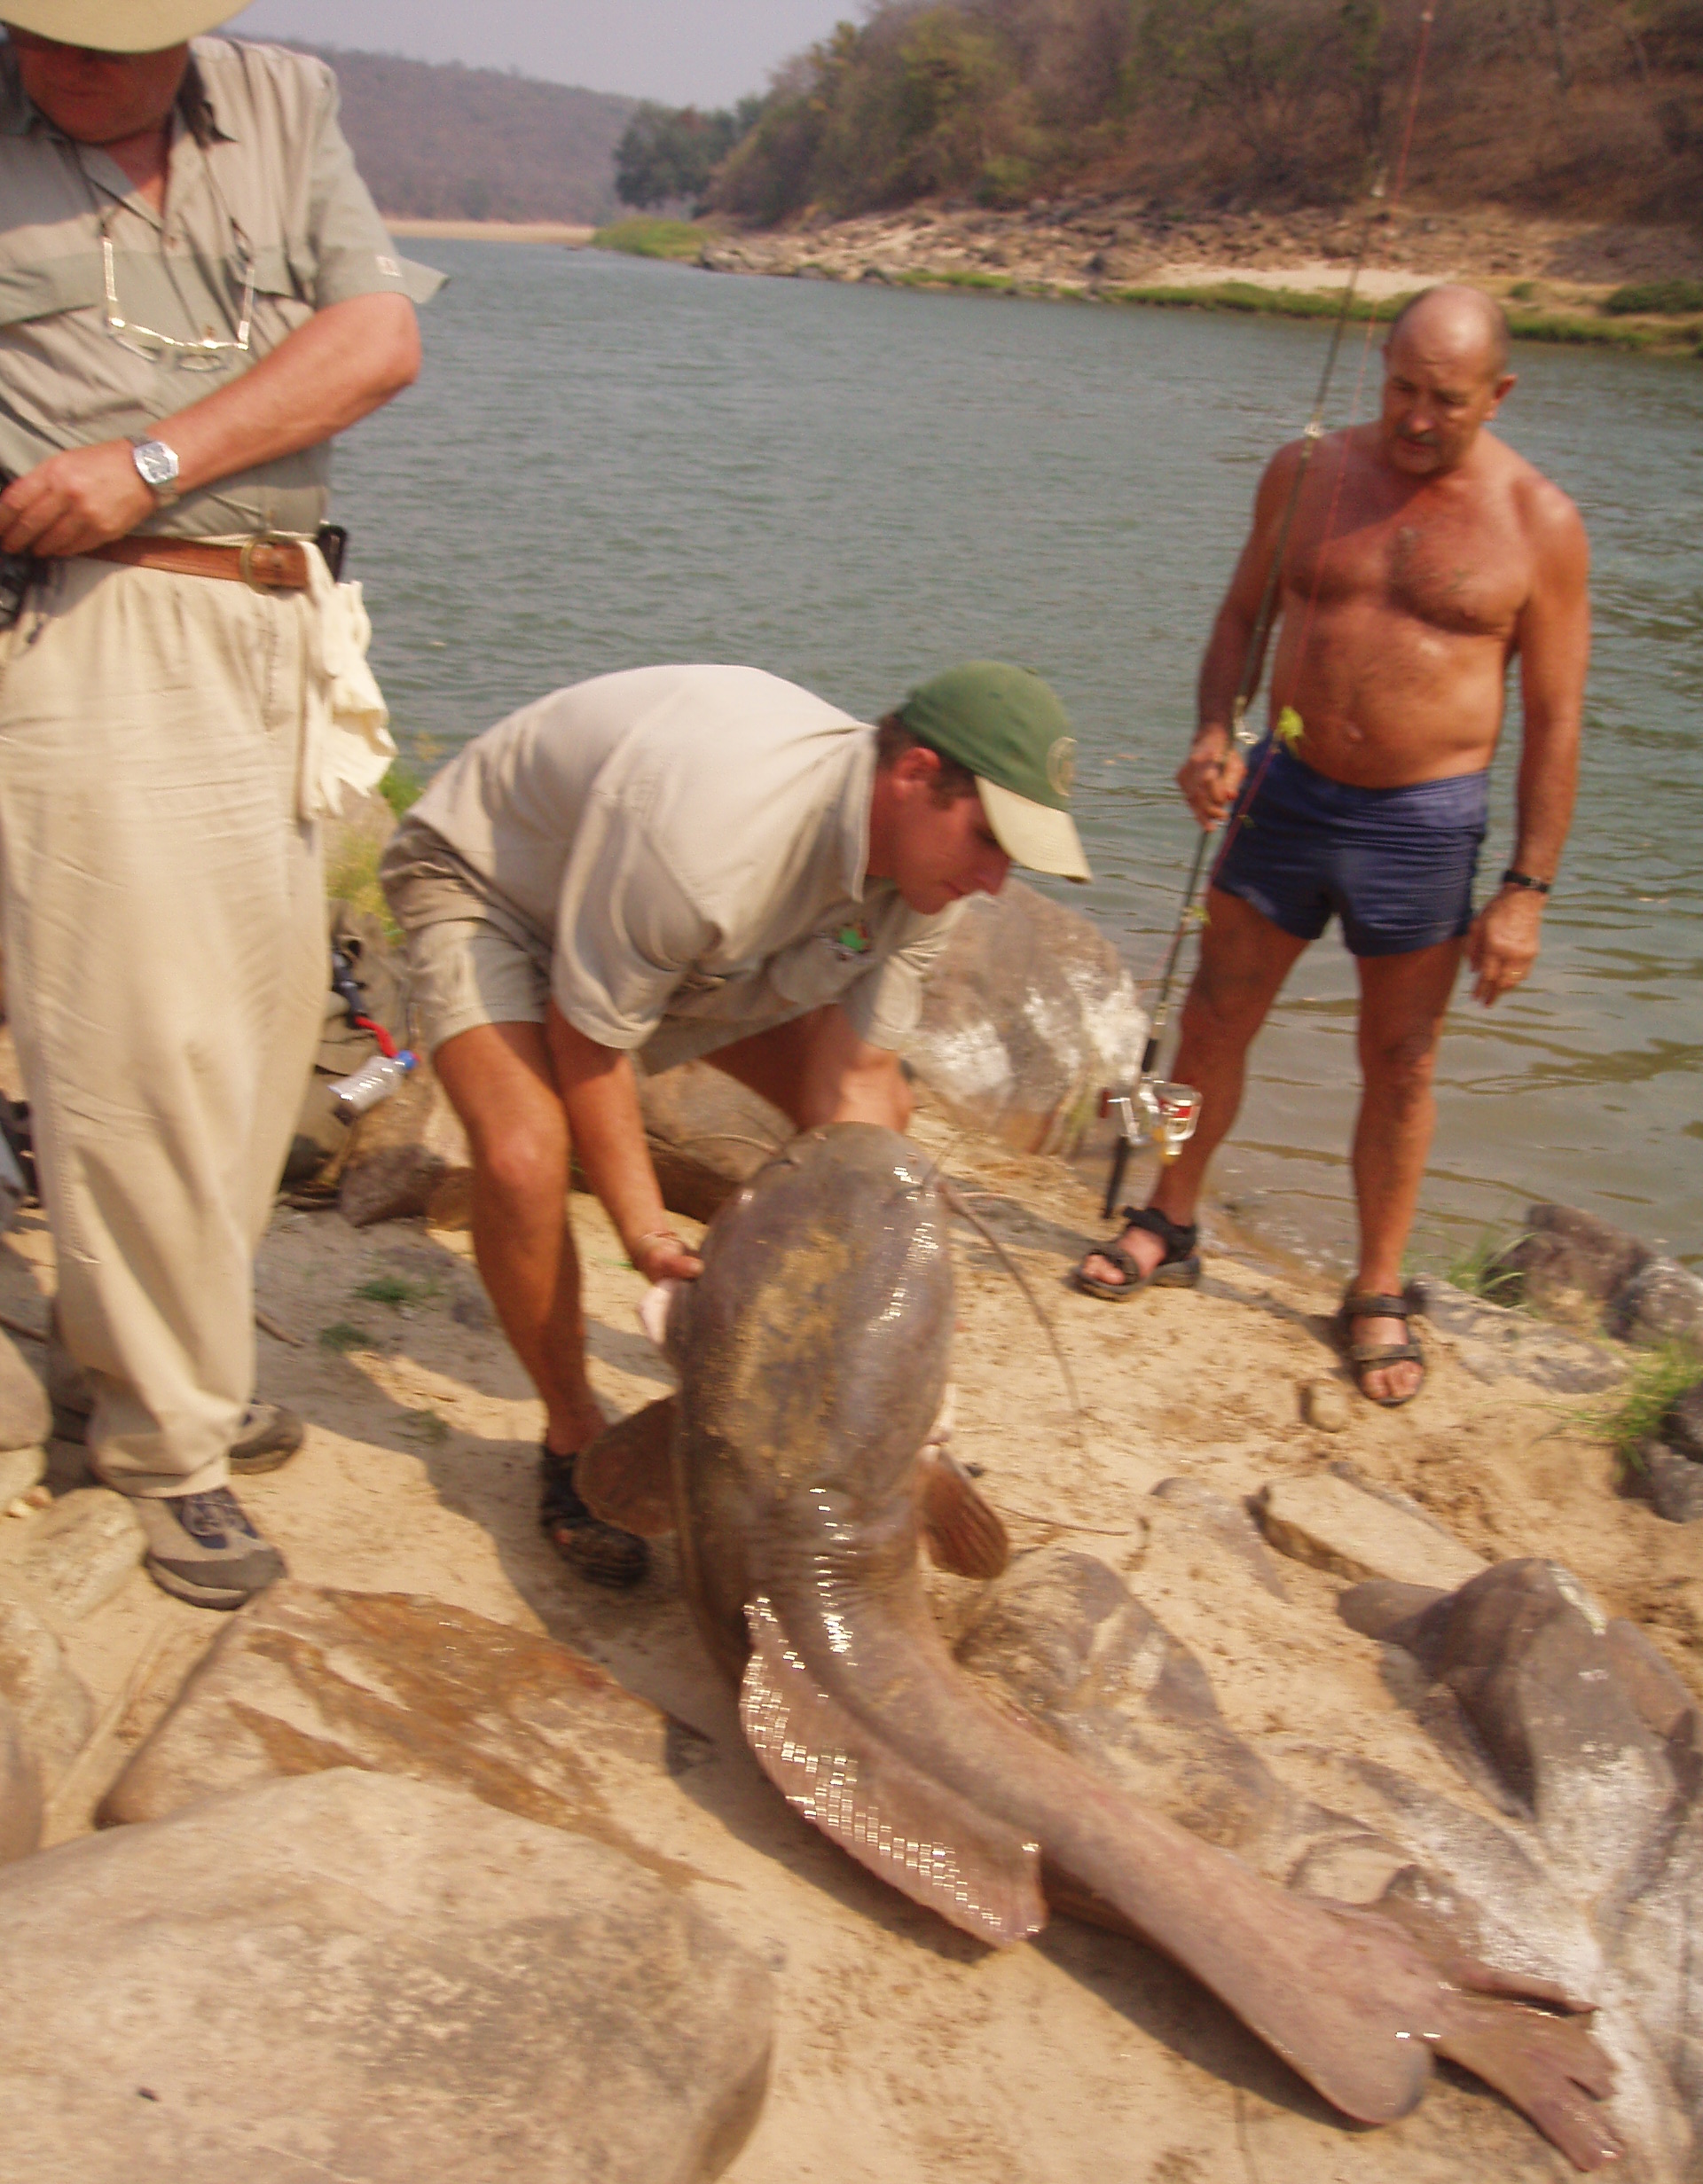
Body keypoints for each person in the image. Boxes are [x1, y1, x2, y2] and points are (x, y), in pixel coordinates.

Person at [0, 5, 432, 1605]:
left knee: (253, 1045)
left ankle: (163, 1348)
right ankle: (166, 1448)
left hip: (279, 615)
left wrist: (152, 456)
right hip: (82, 618)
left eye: (104, 44)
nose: (61, 64)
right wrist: (90, 496)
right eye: (36, 32)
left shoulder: (283, 101)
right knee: (136, 1049)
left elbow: (375, 341)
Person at [381, 660, 1089, 1585]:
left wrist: (885, 1313)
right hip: (493, 888)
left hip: (674, 952)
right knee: (524, 1152)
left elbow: (856, 1083)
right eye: (990, 839)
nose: (996, 881)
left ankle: (824, 1402)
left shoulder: (918, 884)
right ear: (915, 774)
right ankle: (571, 1438)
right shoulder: (711, 840)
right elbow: (589, 1045)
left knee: (878, 1149)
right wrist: (647, 1233)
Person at [1073, 286, 1590, 1407]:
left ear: (1498, 395)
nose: (1413, 416)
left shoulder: (1540, 523)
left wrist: (1527, 891)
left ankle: (1377, 1285)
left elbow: (1554, 719)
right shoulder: (1303, 472)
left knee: (1400, 1062)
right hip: (1285, 786)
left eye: (1443, 401)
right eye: (1399, 385)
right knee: (1212, 1012)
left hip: (1424, 820)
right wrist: (1215, 728)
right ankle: (1166, 1212)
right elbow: (1238, 618)